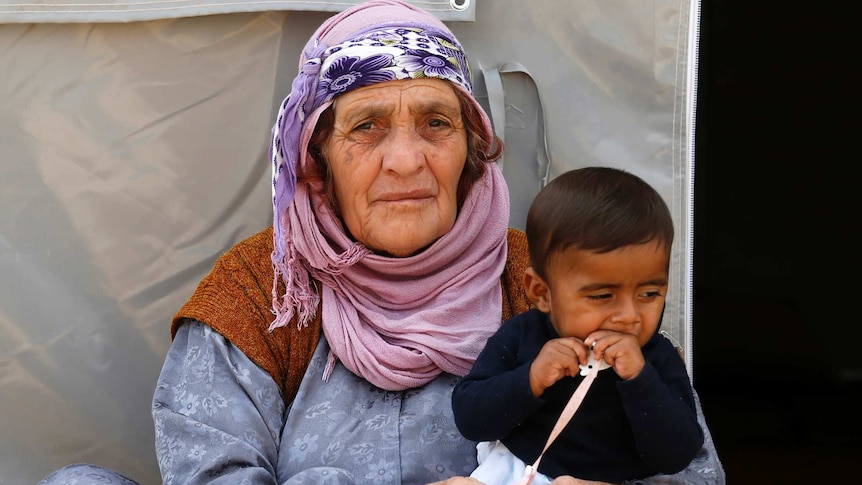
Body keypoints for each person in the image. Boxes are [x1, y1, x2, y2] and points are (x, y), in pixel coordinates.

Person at [39, 1, 725, 484]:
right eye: (367, 127)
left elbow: (684, 467)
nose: (406, 160)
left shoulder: (542, 280)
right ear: (318, 160)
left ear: (472, 153)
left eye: (436, 123)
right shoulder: (264, 287)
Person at [452, 167, 704, 485]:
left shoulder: (656, 356)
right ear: (541, 292)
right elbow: (470, 419)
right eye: (602, 295)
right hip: (518, 465)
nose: (629, 316)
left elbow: (678, 454)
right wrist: (530, 379)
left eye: (649, 294)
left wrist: (640, 380)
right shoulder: (522, 335)